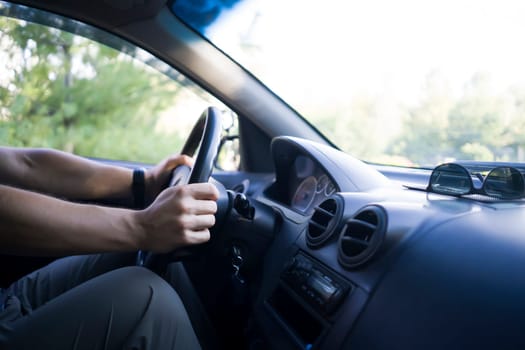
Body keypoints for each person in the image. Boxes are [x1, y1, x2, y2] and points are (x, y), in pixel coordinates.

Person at [0, 146, 219, 349]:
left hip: (7, 299)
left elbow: (22, 163)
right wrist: (141, 227)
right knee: (147, 302)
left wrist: (142, 182)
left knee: (137, 256)